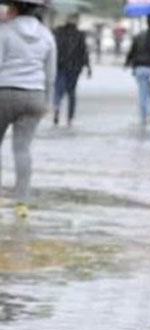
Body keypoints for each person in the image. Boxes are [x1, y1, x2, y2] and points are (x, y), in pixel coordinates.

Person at [0, 0, 56, 219]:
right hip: (34, 95)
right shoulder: (46, 35)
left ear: (15, 8)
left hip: (4, 92)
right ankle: (22, 202)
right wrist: (47, 102)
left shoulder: (4, 31)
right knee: (22, 150)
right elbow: (50, 74)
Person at [52, 14, 91, 126]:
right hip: (74, 67)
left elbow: (53, 49)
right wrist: (88, 67)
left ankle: (56, 107)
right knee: (71, 92)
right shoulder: (79, 35)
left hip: (60, 65)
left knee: (58, 89)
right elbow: (84, 52)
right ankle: (69, 118)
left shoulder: (58, 32)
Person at [125, 14, 150, 128]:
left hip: (140, 68)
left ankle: (143, 118)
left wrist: (127, 63)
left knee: (142, 94)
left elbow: (132, 52)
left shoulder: (139, 36)